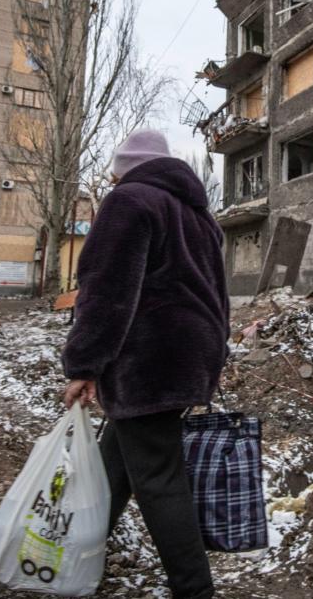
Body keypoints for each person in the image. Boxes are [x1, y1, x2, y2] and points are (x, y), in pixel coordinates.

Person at [62, 130, 229, 599]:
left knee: (158, 478)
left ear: (124, 168)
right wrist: (214, 354)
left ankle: (195, 590)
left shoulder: (129, 202)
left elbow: (107, 290)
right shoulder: (200, 217)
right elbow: (219, 297)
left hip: (149, 360)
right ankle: (81, 550)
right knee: (116, 459)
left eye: (114, 173)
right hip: (190, 356)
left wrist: (84, 363)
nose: (111, 180)